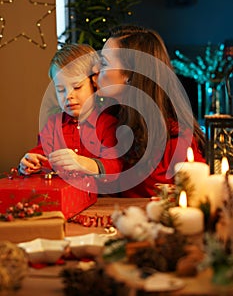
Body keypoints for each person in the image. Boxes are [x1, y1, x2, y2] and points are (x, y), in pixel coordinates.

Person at [92, 24, 206, 197]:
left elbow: (199, 198)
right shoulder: (108, 123)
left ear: (130, 75)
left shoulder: (176, 140)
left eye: (104, 63)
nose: (95, 69)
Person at [18, 43, 123, 188]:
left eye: (77, 87)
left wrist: (83, 163)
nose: (68, 95)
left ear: (94, 84)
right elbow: (40, 157)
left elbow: (115, 167)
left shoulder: (107, 123)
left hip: (102, 203)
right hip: (64, 202)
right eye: (60, 90)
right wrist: (29, 163)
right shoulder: (53, 125)